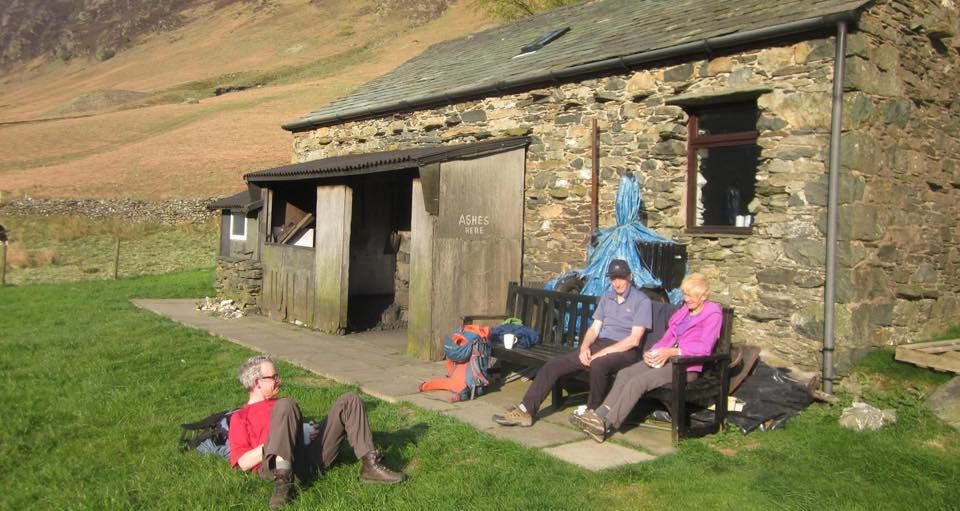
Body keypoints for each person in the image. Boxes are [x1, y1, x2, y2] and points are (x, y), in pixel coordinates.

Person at [228, 354, 406, 508]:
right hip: (276, 468)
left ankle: (370, 465)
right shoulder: (241, 417)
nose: (279, 380)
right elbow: (243, 462)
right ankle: (283, 485)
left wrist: (302, 431)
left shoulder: (280, 403)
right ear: (257, 383)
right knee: (286, 404)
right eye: (274, 377)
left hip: (309, 457)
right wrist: (280, 441)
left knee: (349, 399)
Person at [492, 259, 652, 427]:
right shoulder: (608, 298)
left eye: (621, 277)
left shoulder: (641, 301)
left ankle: (592, 415)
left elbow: (634, 340)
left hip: (625, 350)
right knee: (553, 365)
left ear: (629, 277)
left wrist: (601, 353)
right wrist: (584, 348)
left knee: (598, 364)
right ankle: (526, 410)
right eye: (613, 278)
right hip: (602, 344)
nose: (617, 282)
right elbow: (593, 330)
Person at [569, 272, 722, 442]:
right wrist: (654, 351)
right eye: (685, 294)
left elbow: (705, 348)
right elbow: (668, 337)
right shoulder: (685, 311)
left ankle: (606, 424)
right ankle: (597, 416)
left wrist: (672, 352)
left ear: (704, 296)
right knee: (625, 374)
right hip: (665, 358)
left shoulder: (713, 314)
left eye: (691, 296)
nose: (686, 299)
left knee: (638, 382)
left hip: (685, 366)